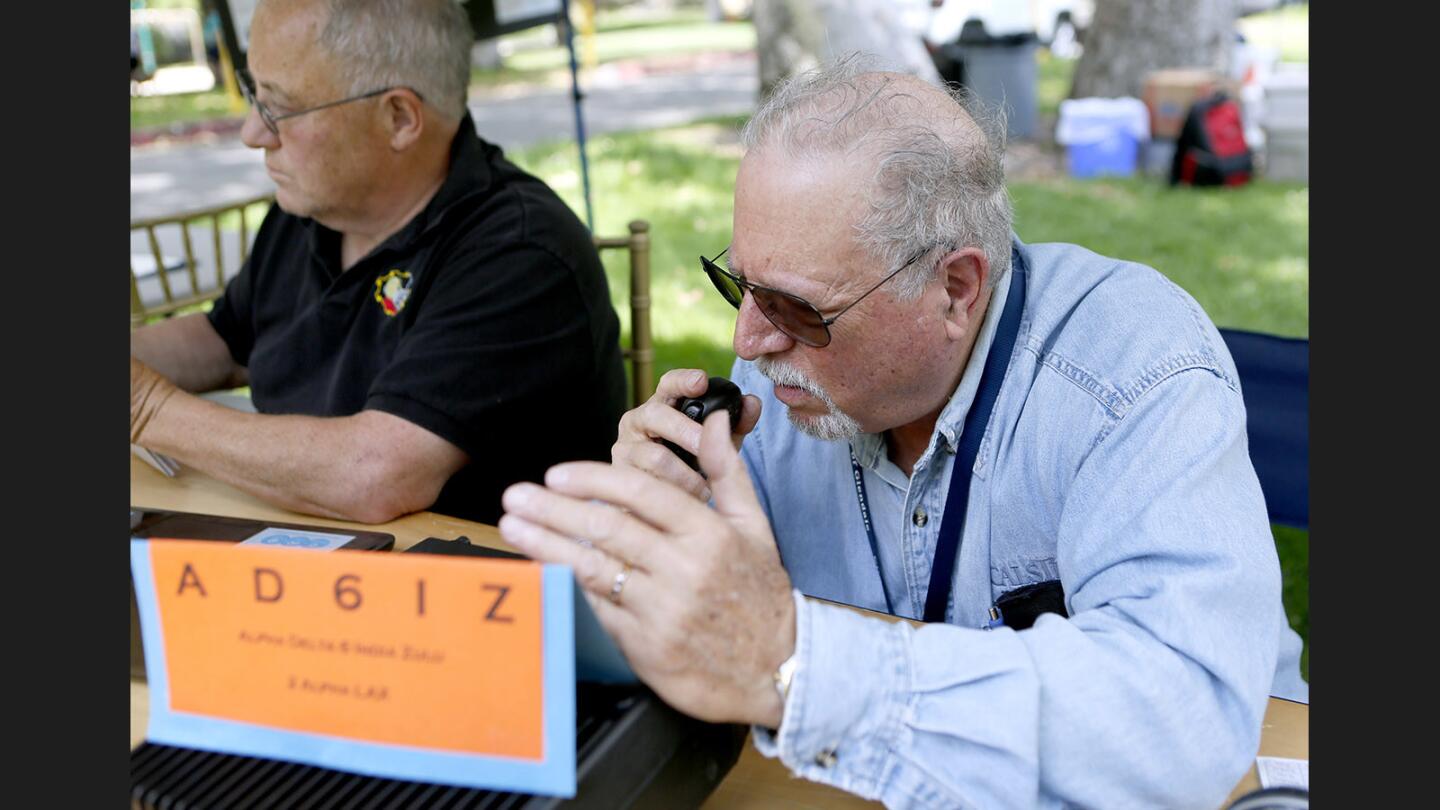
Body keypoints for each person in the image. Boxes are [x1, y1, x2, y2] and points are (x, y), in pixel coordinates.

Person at [496, 61, 1308, 808]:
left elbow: (1181, 718)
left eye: (797, 309)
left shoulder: (1135, 368)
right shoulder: (778, 376)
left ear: (956, 288)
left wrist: (797, 661)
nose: (747, 342)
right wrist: (657, 536)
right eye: (742, 285)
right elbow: (714, 641)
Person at [130, 0, 627, 525]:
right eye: (256, 95)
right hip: (310, 556)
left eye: (279, 107)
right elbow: (225, 340)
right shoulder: (314, 212)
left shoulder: (521, 252)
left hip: (479, 590)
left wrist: (144, 408)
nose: (254, 133)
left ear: (399, 118)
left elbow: (375, 474)